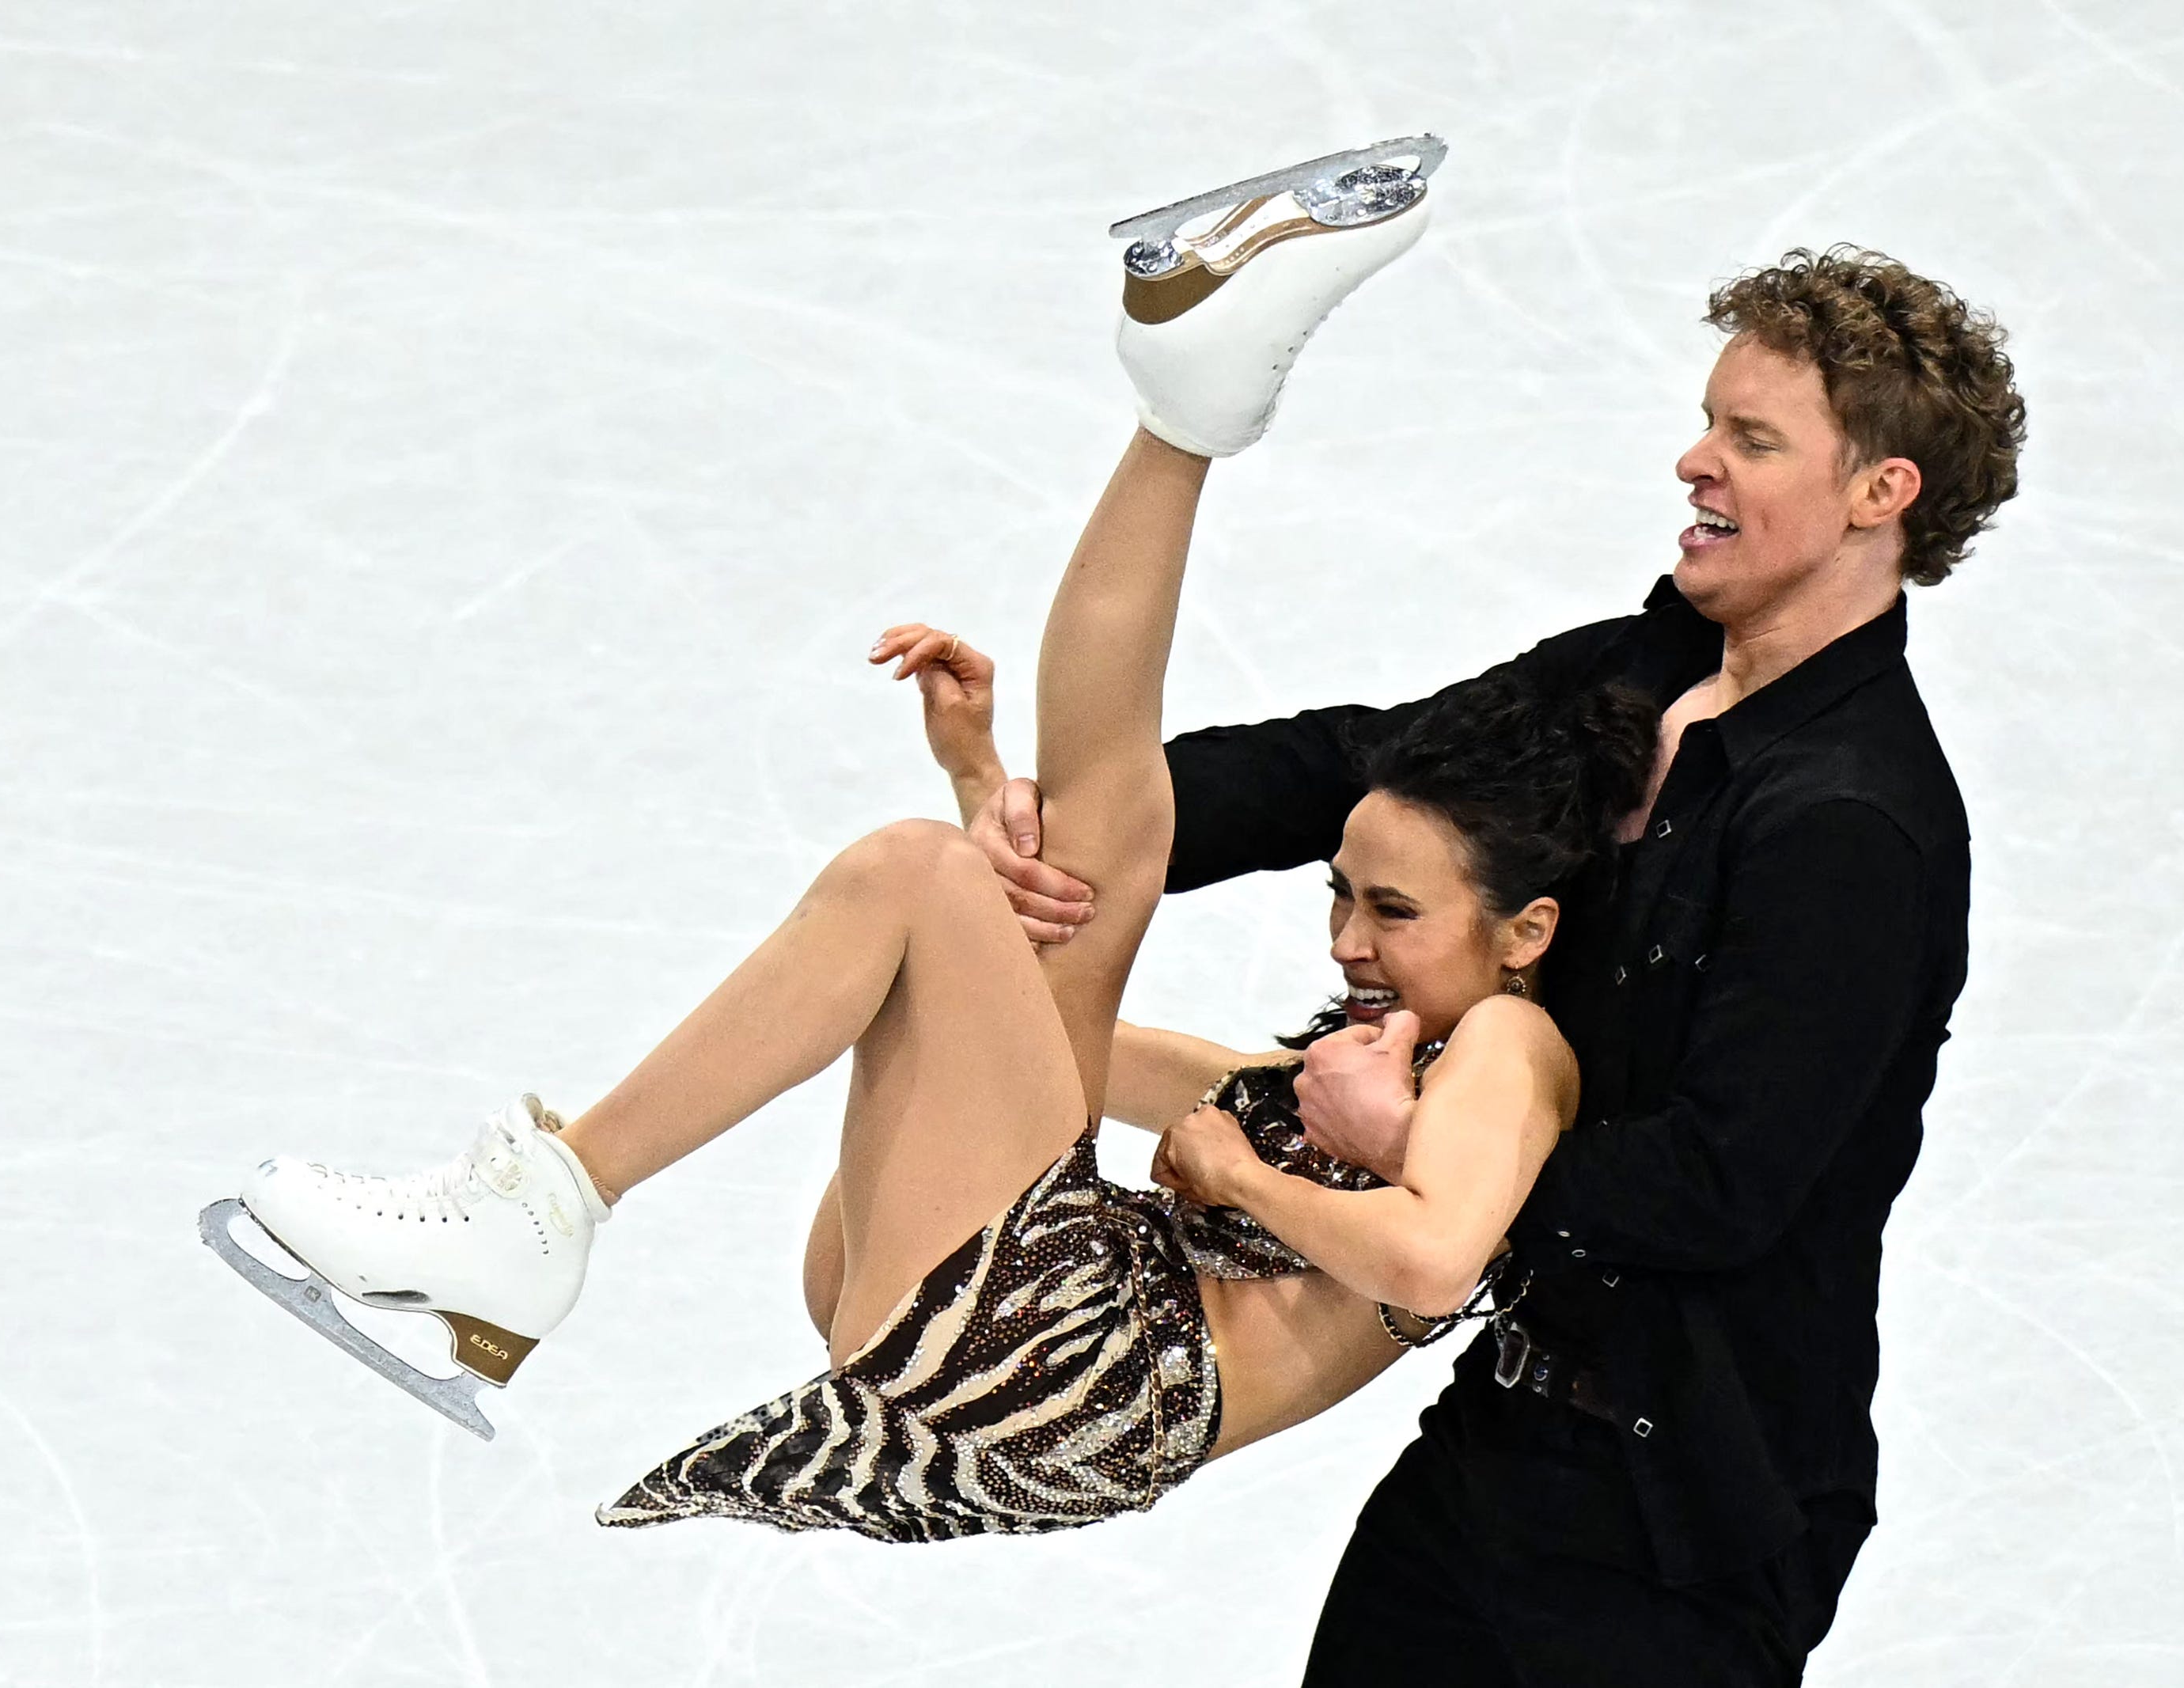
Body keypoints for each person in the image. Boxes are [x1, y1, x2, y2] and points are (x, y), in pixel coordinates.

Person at [199, 138, 1646, 1543]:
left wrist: (1240, 1173)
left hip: (1069, 1379)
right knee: (1090, 862)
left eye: (1393, 911)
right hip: (1006, 1308)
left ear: (1525, 930)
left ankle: (545, 1216)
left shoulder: (1515, 1053)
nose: (1346, 940)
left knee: (918, 874)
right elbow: (1095, 1050)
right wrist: (988, 819)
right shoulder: (1373, 1064)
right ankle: (1187, 413)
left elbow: (1440, 1253)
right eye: (1342, 893)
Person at [977, 247, 2027, 1682]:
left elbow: (1724, 1185)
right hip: (1500, 1440)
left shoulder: (1853, 825)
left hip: (1686, 1520)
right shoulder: (1641, 670)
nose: (1695, 460)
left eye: (1752, 439)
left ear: (1880, 492)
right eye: (1709, 420)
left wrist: (1417, 1147)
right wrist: (1093, 825)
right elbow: (1372, 767)